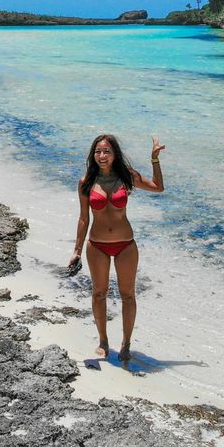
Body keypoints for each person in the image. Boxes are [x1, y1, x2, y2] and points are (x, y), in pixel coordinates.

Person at [68, 134, 165, 361]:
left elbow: (158, 187)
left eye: (107, 152)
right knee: (99, 293)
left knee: (128, 295)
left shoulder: (127, 177)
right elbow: (84, 219)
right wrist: (76, 251)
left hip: (126, 245)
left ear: (115, 154)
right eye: (98, 152)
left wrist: (154, 159)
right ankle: (103, 341)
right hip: (97, 245)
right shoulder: (86, 182)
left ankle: (126, 343)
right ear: (93, 155)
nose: (102, 156)